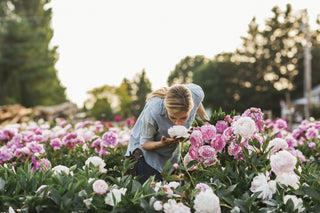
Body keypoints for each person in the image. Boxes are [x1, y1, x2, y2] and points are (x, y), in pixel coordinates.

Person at [125, 83, 208, 183]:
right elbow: (145, 143)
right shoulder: (153, 110)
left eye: (183, 117)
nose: (178, 123)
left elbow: (197, 103)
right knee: (153, 194)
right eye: (173, 117)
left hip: (170, 156)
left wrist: (206, 122)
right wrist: (163, 143)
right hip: (145, 155)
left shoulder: (195, 93)